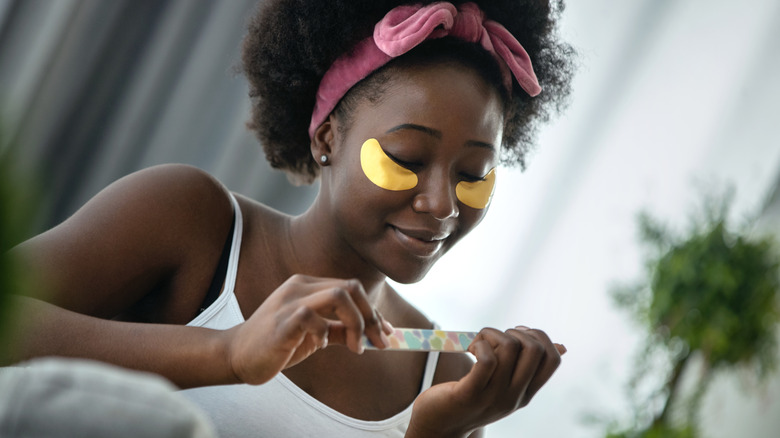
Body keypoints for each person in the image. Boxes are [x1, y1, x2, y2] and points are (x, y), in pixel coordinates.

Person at [4, 0, 575, 436]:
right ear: (327, 137)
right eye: (407, 159)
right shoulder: (192, 223)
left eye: (473, 173)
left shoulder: (447, 373)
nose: (442, 204)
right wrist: (226, 353)